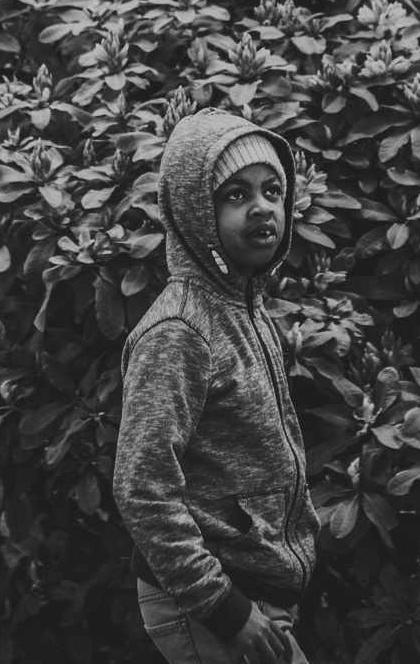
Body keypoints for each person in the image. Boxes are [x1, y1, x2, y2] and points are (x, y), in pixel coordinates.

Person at [115, 109, 318, 664]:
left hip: (250, 592)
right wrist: (225, 610)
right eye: (235, 195)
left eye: (272, 189)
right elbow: (142, 485)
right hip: (211, 600)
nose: (262, 207)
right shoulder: (180, 330)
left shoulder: (245, 309)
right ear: (195, 212)